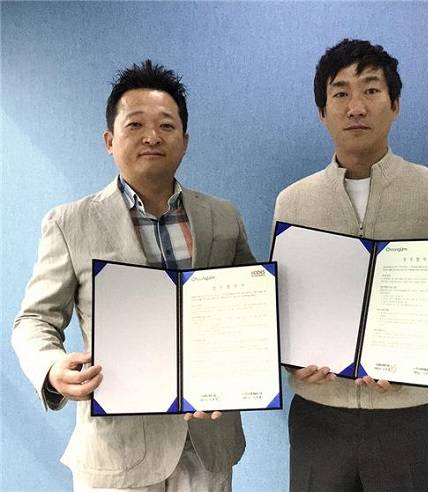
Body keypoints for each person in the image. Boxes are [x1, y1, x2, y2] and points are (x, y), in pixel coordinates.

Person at [12, 60, 255, 491]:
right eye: (135, 124)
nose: (152, 136)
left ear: (185, 140)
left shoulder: (223, 217)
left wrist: (239, 376)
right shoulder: (69, 223)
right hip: (116, 452)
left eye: (166, 125)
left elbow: (250, 311)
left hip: (207, 442)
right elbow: (34, 320)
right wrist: (51, 368)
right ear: (110, 140)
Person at [273, 39, 428, 491]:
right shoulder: (293, 202)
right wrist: (287, 357)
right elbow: (280, 304)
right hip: (319, 418)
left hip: (409, 417)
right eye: (340, 93)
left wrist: (421, 356)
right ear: (322, 112)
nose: (356, 106)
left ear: (394, 105)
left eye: (371, 90)